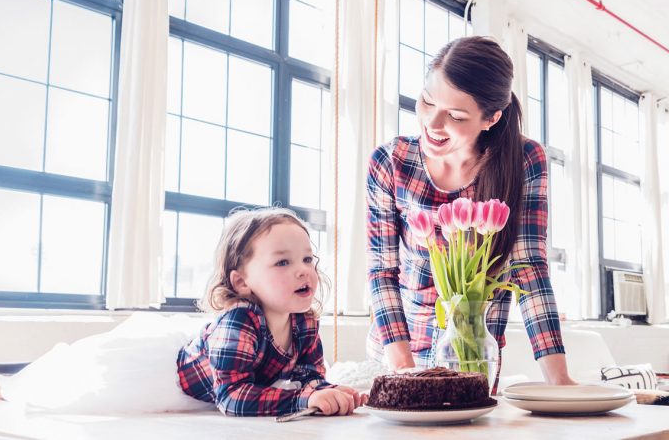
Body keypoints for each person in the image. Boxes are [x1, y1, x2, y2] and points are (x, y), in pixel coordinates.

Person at [366, 36, 575, 392]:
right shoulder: (391, 162)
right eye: (427, 101)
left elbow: (529, 270)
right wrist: (404, 370)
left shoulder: (523, 160)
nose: (432, 121)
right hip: (401, 354)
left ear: (491, 118)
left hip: (475, 356)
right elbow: (382, 271)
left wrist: (560, 382)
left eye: (456, 115)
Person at [177, 207, 366, 416]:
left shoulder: (304, 321)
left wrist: (329, 391)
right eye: (282, 262)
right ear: (241, 282)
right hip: (183, 384)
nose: (303, 270)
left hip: (241, 382)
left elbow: (309, 375)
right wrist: (305, 399)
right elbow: (231, 396)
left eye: (307, 259)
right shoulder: (239, 320)